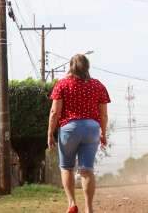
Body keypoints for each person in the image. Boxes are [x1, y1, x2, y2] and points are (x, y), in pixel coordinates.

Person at [47, 53, 110, 213]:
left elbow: (54, 112)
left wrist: (50, 133)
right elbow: (103, 114)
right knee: (86, 169)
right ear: (87, 67)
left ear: (70, 67)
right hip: (91, 128)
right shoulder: (98, 85)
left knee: (67, 167)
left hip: (69, 129)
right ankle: (89, 209)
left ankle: (72, 204)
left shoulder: (62, 84)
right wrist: (103, 133)